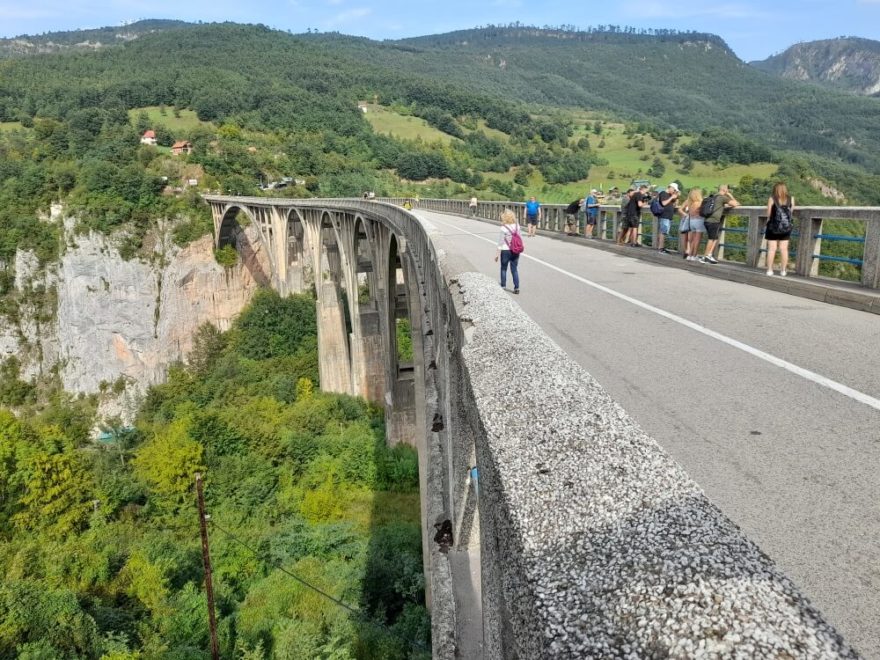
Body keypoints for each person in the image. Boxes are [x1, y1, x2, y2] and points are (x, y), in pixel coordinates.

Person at [699, 184, 739, 264]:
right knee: (711, 239)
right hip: (714, 221)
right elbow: (736, 204)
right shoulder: (722, 197)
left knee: (715, 238)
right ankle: (705, 257)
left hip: (707, 220)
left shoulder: (713, 196)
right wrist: (730, 195)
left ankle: (709, 255)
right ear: (725, 190)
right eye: (727, 190)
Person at [764, 182, 795, 276]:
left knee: (772, 249)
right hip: (786, 227)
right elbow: (790, 213)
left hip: (773, 227)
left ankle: (769, 270)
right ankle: (783, 271)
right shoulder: (791, 199)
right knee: (784, 249)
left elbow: (769, 214)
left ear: (775, 189)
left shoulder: (772, 199)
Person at [495, 209, 521, 293]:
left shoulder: (503, 228)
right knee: (514, 269)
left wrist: (497, 254)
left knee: (503, 268)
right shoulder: (517, 226)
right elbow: (519, 238)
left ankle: (503, 286)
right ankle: (516, 287)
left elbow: (500, 242)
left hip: (505, 250)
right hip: (515, 250)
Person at [678, 188, 705, 261]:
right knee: (697, 239)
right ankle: (694, 255)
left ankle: (690, 255)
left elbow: (682, 209)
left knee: (692, 240)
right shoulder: (699, 202)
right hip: (699, 221)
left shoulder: (690, 203)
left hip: (691, 221)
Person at [656, 182, 679, 253]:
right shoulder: (663, 193)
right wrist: (672, 197)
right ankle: (661, 248)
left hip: (668, 216)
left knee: (664, 232)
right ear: (670, 187)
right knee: (663, 232)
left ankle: (661, 247)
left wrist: (675, 197)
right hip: (664, 215)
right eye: (674, 190)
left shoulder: (669, 195)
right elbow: (663, 203)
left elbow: (674, 205)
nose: (674, 191)